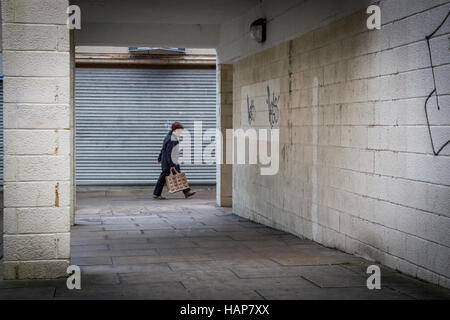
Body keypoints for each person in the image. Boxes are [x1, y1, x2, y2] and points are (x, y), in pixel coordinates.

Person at [153, 121, 196, 200]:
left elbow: (163, 149)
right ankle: (156, 194)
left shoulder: (168, 136)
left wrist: (159, 158)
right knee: (165, 178)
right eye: (180, 130)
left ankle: (187, 191)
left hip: (167, 161)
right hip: (170, 162)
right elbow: (170, 153)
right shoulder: (172, 139)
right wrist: (172, 165)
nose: (181, 132)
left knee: (176, 176)